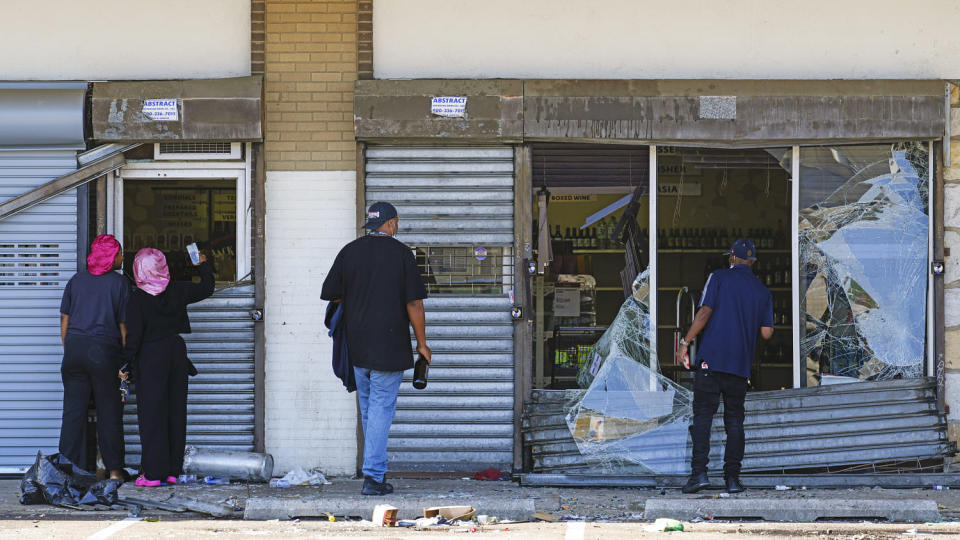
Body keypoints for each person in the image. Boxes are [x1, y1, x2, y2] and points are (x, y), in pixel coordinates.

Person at [321, 201, 430, 496]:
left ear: (370, 224)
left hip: (357, 347)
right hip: (389, 347)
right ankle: (373, 477)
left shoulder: (350, 252)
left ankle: (373, 471)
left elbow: (331, 294)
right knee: (380, 410)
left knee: (370, 410)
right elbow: (414, 304)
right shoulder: (402, 254)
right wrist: (422, 344)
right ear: (392, 223)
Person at [676, 238, 774, 494]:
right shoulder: (763, 291)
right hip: (739, 366)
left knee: (703, 419)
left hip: (711, 361)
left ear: (732, 258)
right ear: (752, 262)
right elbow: (766, 333)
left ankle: (699, 474)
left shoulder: (718, 277)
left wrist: (685, 342)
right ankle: (732, 478)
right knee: (734, 422)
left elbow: (705, 312)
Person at [122, 247, 214, 487]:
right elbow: (207, 288)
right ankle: (172, 471)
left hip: (150, 356)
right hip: (175, 352)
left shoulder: (137, 298)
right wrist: (202, 265)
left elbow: (133, 339)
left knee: (152, 415)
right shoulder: (178, 290)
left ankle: (153, 474)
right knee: (175, 412)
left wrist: (125, 365)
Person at [58, 235, 130, 481]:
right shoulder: (119, 284)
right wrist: (124, 358)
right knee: (108, 411)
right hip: (103, 351)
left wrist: (70, 350)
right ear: (111, 257)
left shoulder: (76, 281)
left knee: (73, 413)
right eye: (120, 253)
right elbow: (123, 326)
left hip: (75, 350)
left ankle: (66, 471)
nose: (123, 257)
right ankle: (114, 471)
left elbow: (64, 321)